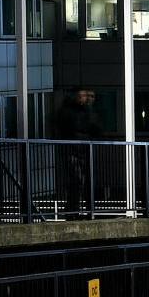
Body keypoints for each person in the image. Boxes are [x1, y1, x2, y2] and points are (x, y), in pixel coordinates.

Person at [50, 86, 101, 215]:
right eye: (82, 95)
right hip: (74, 149)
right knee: (77, 180)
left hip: (80, 149)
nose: (85, 98)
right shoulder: (70, 111)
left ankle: (79, 209)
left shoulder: (83, 111)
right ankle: (75, 209)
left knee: (83, 181)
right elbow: (79, 128)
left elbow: (94, 128)